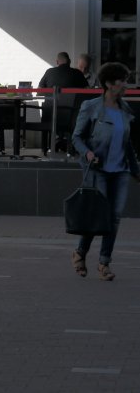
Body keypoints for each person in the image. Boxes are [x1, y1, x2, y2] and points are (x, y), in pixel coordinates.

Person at [71, 62, 140, 281]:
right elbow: (77, 137)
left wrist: (135, 169)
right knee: (98, 216)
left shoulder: (126, 109)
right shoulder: (91, 106)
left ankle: (104, 264)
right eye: (123, 81)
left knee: (114, 218)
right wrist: (88, 153)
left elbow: (128, 144)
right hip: (98, 169)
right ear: (109, 84)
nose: (126, 85)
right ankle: (80, 253)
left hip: (120, 171)